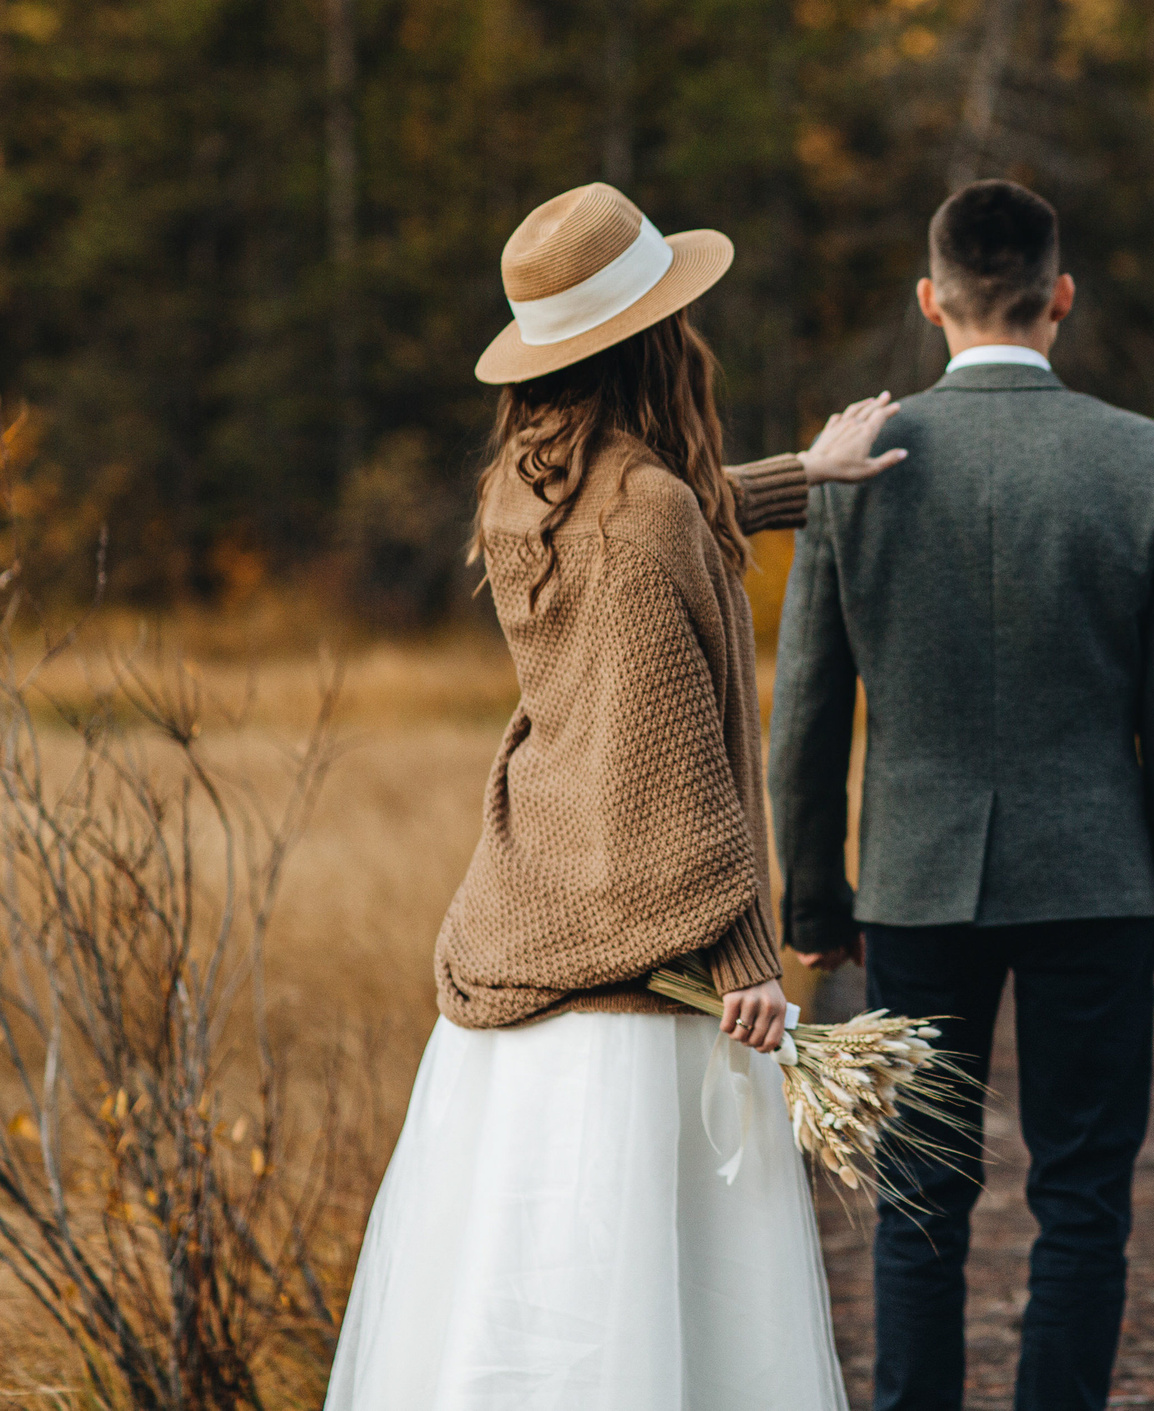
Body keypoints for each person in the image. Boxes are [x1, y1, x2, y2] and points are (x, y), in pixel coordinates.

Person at [324, 181, 907, 1411]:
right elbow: (673, 766)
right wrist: (749, 961)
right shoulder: (641, 516)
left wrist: (806, 474)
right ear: (656, 338)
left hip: (530, 921)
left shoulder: (526, 482)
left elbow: (664, 517)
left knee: (533, 1307)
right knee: (660, 1312)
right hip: (640, 979)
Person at [770, 179, 1154, 1411]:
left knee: (918, 1198)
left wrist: (815, 902)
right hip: (1097, 881)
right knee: (1083, 1199)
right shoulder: (1142, 458)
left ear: (931, 300)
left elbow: (806, 707)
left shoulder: (853, 465)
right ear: (1059, 296)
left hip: (914, 887)